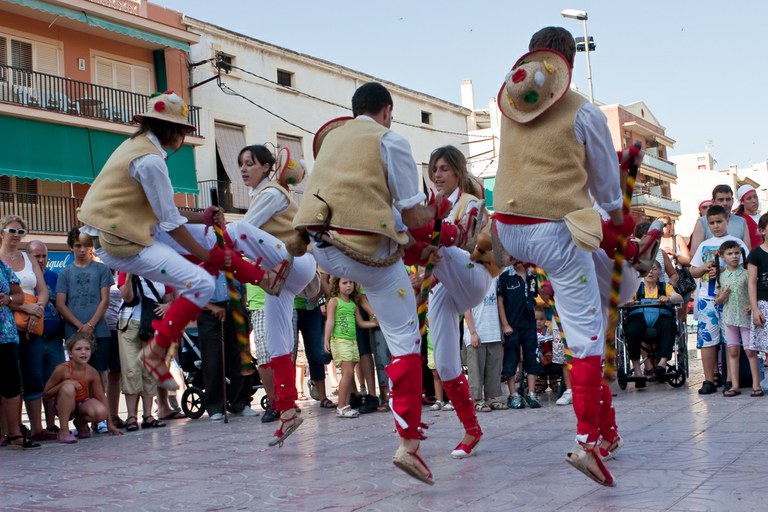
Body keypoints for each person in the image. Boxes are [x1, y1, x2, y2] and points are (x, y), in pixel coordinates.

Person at [492, 28, 627, 486]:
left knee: (586, 321)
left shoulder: (510, 105)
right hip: (556, 230)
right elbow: (607, 190)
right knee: (588, 338)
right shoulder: (584, 111)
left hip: (508, 229)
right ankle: (588, 442)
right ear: (568, 61)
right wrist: (618, 222)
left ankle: (608, 432)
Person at [293, 82, 444, 484]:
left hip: (320, 247)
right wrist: (438, 209)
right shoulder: (389, 140)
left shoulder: (333, 140)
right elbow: (413, 218)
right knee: (406, 342)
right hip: (364, 253)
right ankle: (408, 443)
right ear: (387, 111)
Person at [77, 91, 273, 393]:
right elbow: (170, 223)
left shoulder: (135, 147)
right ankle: (155, 352)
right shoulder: (151, 161)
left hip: (124, 232)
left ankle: (262, 277)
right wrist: (206, 257)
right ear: (176, 132)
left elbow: (165, 213)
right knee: (203, 283)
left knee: (210, 235)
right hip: (122, 241)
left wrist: (202, 218)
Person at [402, 144, 489, 459]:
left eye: (444, 169)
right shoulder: (426, 206)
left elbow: (472, 243)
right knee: (446, 362)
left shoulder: (472, 203)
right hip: (444, 286)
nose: (437, 175)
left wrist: (423, 240)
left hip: (472, 276)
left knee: (443, 246)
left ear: (458, 171)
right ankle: (471, 429)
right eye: (434, 169)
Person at [56, 227, 114, 434]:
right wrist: (80, 326)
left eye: (86, 245)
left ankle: (100, 419)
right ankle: (80, 420)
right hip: (73, 333)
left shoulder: (102, 270)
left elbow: (105, 300)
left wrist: (90, 325)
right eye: (77, 245)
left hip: (99, 330)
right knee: (75, 377)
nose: (82, 250)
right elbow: (61, 304)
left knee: (100, 375)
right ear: (71, 247)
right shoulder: (65, 273)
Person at [0, 215, 53, 442]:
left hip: (32, 324)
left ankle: (36, 428)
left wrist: (37, 310)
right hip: (7, 323)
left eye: (20, 232)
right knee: (10, 379)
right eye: (12, 230)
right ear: (2, 232)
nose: (16, 235)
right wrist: (24, 308)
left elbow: (43, 290)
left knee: (33, 375)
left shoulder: (28, 258)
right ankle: (9, 430)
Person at [690, 205, 748, 395]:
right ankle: (709, 379)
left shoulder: (737, 243)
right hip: (707, 298)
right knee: (707, 339)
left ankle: (731, 379)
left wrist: (723, 270)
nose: (715, 226)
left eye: (719, 222)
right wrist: (704, 268)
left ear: (727, 220)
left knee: (731, 339)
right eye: (712, 223)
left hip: (731, 298)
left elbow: (745, 269)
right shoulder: (704, 245)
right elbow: (693, 271)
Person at [43, 332, 122, 443]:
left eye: (87, 349)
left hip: (81, 404)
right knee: (68, 387)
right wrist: (64, 383)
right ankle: (64, 431)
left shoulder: (92, 372)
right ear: (70, 353)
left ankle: (80, 422)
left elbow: (101, 397)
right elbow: (46, 393)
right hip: (62, 405)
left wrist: (110, 424)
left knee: (100, 411)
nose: (83, 352)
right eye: (78, 349)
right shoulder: (62, 369)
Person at [116, 272, 171, 430]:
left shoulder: (161, 270)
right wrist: (129, 277)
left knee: (149, 370)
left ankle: (148, 416)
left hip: (152, 325)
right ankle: (131, 416)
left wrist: (168, 306)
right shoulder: (126, 268)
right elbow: (127, 298)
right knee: (131, 369)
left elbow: (170, 298)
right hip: (129, 324)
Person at [198, 272, 257, 420]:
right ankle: (215, 406)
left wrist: (243, 308)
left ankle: (241, 403)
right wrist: (210, 306)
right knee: (213, 360)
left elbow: (241, 286)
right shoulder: (198, 262)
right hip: (209, 311)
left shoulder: (230, 260)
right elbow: (190, 292)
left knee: (242, 357)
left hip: (235, 307)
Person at [26, 239, 67, 434]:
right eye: (37, 256)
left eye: (44, 256)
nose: (41, 260)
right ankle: (35, 427)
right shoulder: (24, 279)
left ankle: (51, 425)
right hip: (30, 338)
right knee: (32, 383)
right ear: (29, 257)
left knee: (54, 383)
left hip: (53, 339)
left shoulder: (55, 277)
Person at [0, 256, 40, 449]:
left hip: (4, 333)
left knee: (12, 383)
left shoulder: (2, 266)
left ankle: (14, 434)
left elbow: (19, 296)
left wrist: (7, 299)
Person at [324, 277, 377, 417]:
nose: (348, 285)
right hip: (340, 341)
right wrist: (326, 340)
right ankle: (341, 406)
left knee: (348, 374)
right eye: (344, 283)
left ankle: (345, 404)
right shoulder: (334, 301)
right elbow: (330, 321)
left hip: (352, 342)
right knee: (347, 373)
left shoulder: (353, 304)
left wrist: (376, 323)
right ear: (337, 285)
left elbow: (361, 323)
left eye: (351, 282)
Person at [624, 261, 682, 388]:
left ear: (659, 273)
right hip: (639, 319)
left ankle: (662, 364)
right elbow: (623, 300)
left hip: (660, 319)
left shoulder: (665, 287)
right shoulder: (636, 287)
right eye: (648, 269)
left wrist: (669, 298)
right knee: (631, 330)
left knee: (670, 325)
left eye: (654, 269)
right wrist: (628, 301)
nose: (650, 272)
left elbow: (678, 298)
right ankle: (637, 372)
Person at [497, 263, 541, 408]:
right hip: (512, 325)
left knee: (532, 357)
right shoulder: (505, 276)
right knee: (511, 358)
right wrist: (505, 324)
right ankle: (513, 394)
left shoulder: (532, 276)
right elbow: (500, 301)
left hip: (529, 325)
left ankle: (531, 393)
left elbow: (533, 297)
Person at [463, 277, 504, 412]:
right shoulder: (470, 279)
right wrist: (473, 332)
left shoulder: (495, 278)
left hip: (493, 331)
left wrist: (500, 330)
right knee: (475, 369)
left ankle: (491, 397)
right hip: (477, 333)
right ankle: (476, 399)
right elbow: (466, 308)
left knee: (493, 369)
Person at [715, 241, 750, 396]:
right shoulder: (721, 277)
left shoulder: (747, 273)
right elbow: (717, 299)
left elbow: (753, 291)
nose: (734, 256)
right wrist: (722, 296)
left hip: (745, 317)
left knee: (750, 350)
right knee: (732, 350)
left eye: (736, 253)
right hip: (729, 317)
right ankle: (734, 384)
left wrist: (752, 304)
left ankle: (756, 383)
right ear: (723, 257)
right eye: (730, 254)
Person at [690, 185, 751, 255]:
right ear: (713, 202)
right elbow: (694, 253)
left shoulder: (741, 221)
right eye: (721, 200)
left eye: (728, 199)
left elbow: (747, 251)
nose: (725, 203)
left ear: (732, 201)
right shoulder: (702, 222)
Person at [746, 213, 768, 397]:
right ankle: (757, 383)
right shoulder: (756, 254)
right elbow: (752, 282)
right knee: (761, 347)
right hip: (763, 303)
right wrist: (755, 309)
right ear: (762, 231)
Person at [734, 184, 762, 250]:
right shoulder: (739, 220)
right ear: (742, 202)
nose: (754, 201)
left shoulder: (763, 218)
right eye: (749, 198)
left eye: (755, 196)